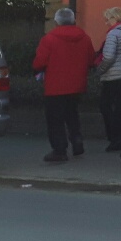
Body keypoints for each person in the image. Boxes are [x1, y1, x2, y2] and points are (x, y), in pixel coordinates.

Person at [32, 8, 99, 162]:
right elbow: (91, 60)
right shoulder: (84, 37)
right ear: (73, 20)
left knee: (55, 119)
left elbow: (40, 62)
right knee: (72, 114)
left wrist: (37, 71)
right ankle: (77, 142)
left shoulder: (49, 39)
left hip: (55, 85)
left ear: (56, 22)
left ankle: (59, 150)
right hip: (77, 84)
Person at [95, 7, 121, 153]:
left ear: (114, 18)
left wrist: (99, 70)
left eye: (107, 19)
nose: (106, 22)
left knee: (106, 107)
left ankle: (115, 139)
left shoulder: (113, 34)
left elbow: (108, 57)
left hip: (113, 76)